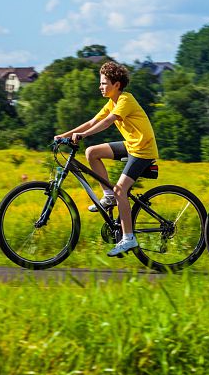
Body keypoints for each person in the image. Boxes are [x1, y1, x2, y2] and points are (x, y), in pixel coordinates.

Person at [55, 61, 159, 257]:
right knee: (91, 153)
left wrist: (83, 136)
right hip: (131, 145)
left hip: (143, 150)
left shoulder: (125, 100)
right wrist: (64, 136)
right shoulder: (112, 102)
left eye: (104, 83)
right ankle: (108, 196)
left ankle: (128, 238)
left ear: (116, 85)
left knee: (121, 189)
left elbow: (107, 122)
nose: (100, 87)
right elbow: (92, 121)